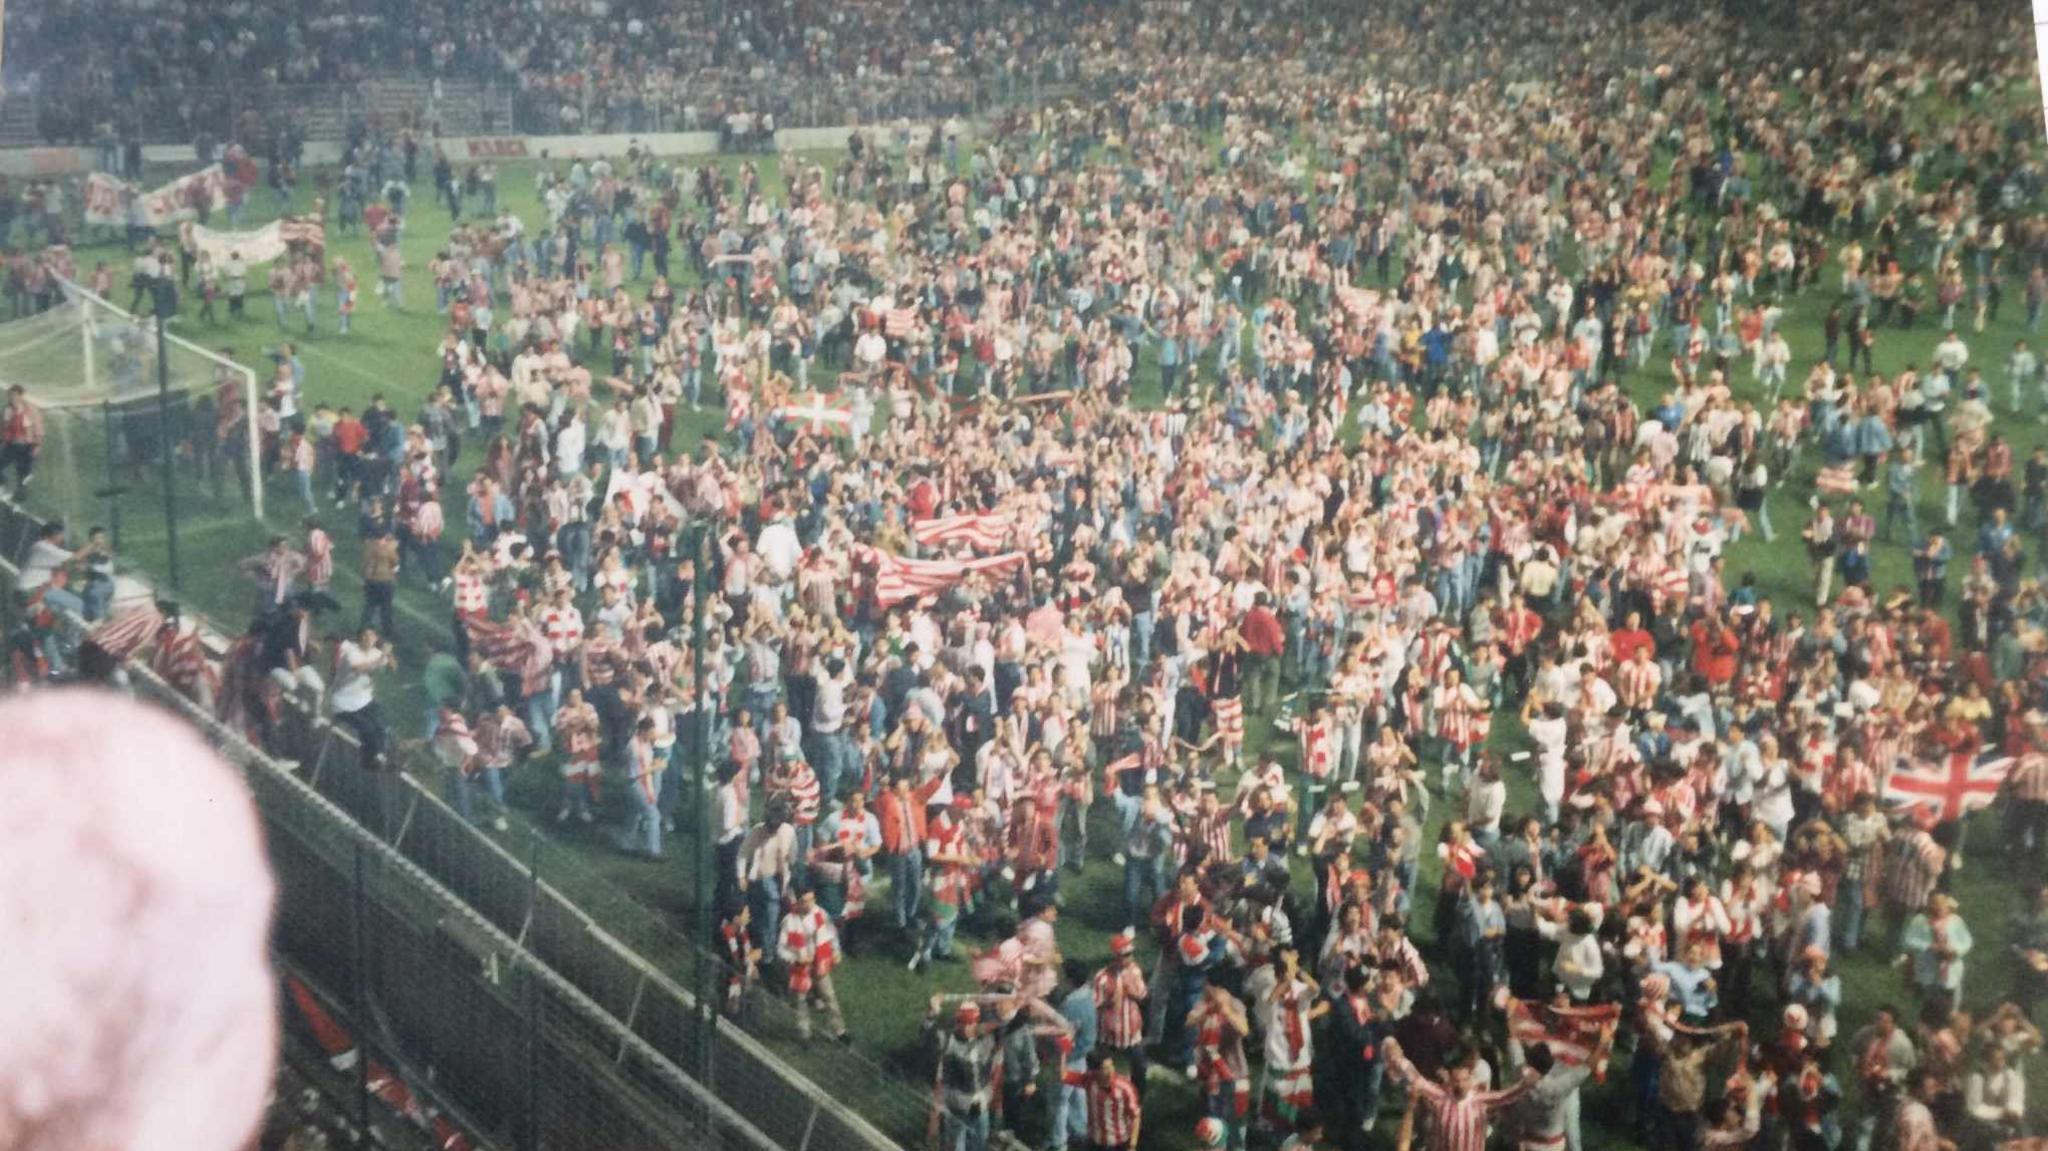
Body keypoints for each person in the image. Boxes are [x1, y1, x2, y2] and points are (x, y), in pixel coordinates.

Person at [777, 883, 848, 1043]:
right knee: (800, 1001)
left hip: (819, 963)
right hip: (800, 968)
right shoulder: (789, 921)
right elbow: (781, 950)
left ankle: (840, 1031)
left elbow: (832, 935)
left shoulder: (820, 914)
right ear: (798, 902)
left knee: (829, 996)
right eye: (805, 901)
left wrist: (836, 951)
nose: (810, 904)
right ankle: (804, 1034)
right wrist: (796, 959)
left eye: (812, 900)